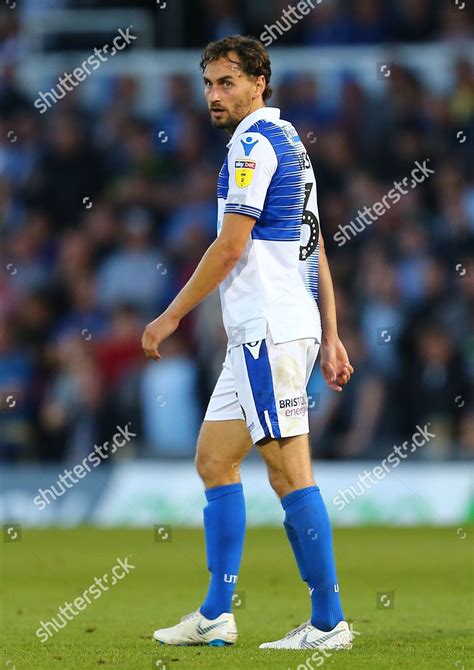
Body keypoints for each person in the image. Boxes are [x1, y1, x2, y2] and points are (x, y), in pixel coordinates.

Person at [142, 35, 354, 650]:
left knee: (289, 475)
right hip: (268, 332)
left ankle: (327, 622)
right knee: (214, 458)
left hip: (269, 329)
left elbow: (231, 245)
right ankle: (215, 613)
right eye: (208, 83)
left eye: (226, 82)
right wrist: (333, 334)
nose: (213, 94)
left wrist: (172, 315)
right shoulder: (291, 146)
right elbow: (314, 248)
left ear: (259, 82)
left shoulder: (253, 145)